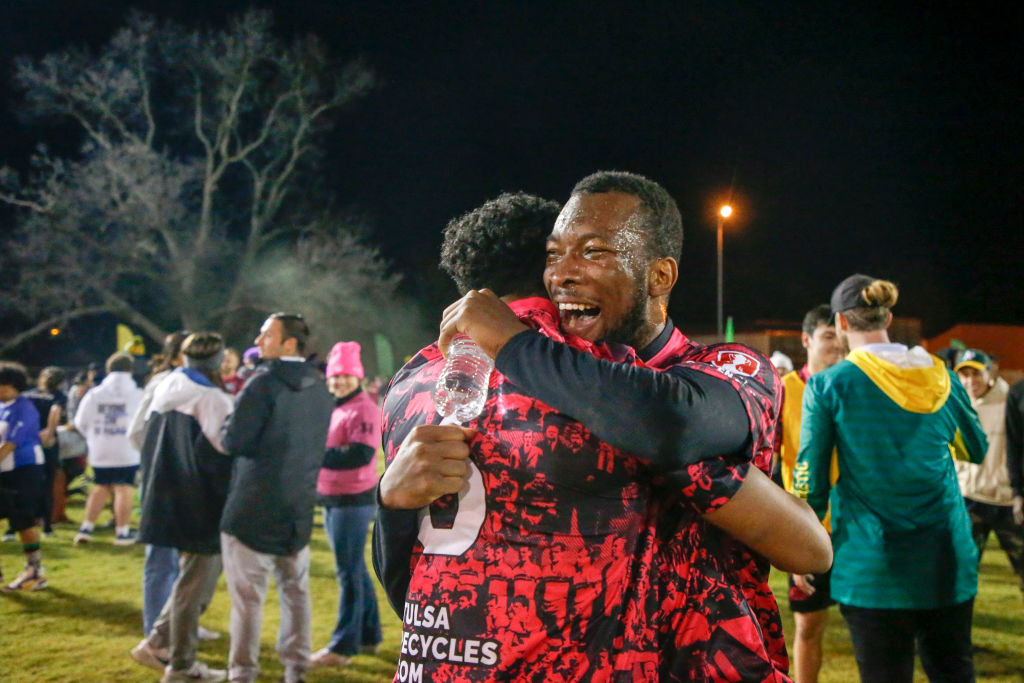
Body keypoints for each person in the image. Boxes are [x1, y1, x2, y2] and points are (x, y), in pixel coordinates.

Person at [376, 184, 829, 680]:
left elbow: (669, 420)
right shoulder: (535, 383)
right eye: (553, 255)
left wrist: (513, 342)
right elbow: (433, 587)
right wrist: (391, 504)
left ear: (660, 275)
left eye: (594, 252)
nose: (564, 273)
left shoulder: (724, 367)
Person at [794, 274, 987, 683]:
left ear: (842, 323)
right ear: (889, 317)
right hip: (946, 557)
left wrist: (798, 545)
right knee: (954, 671)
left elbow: (810, 479)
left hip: (872, 565)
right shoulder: (942, 376)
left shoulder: (830, 384)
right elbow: (977, 449)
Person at [219, 312, 334, 683]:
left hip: (253, 508)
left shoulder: (261, 383)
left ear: (288, 344)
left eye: (266, 333)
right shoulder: (319, 386)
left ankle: (242, 673)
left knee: (249, 601)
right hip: (298, 507)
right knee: (296, 593)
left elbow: (234, 441)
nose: (259, 338)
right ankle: (296, 670)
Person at [131, 332, 235, 683]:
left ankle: (157, 641)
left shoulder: (167, 383)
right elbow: (227, 455)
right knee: (196, 586)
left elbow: (140, 435)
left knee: (189, 583)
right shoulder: (213, 400)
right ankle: (182, 666)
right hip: (200, 505)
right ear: (218, 362)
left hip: (163, 498)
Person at [774, 305, 843, 683]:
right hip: (809, 529)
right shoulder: (785, 392)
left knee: (876, 629)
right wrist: (789, 537)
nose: (838, 345)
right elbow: (769, 469)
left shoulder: (857, 387)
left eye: (842, 337)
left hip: (858, 531)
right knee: (807, 627)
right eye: (829, 336)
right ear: (806, 340)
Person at [309, 341, 382, 669]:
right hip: (334, 498)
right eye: (334, 376)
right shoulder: (337, 406)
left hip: (351, 499)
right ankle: (369, 634)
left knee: (347, 572)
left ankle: (343, 646)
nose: (338, 381)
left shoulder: (362, 408)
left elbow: (360, 453)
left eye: (345, 376)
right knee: (354, 569)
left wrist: (311, 457)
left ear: (357, 377)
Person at [127, 330, 197, 636]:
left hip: (188, 483)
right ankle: (155, 629)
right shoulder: (163, 382)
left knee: (188, 560)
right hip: (162, 482)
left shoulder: (195, 382)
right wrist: (161, 461)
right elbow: (136, 430)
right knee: (161, 560)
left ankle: (180, 623)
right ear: (179, 355)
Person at [953, 349, 1024, 594]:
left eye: (976, 373)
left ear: (989, 372)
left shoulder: (1012, 400)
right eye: (965, 375)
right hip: (971, 500)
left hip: (1008, 502)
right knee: (961, 572)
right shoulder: (959, 404)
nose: (970, 381)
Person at [72, 351, 144, 545]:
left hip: (100, 449)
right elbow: (144, 422)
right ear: (131, 370)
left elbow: (80, 421)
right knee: (124, 488)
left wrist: (94, 437)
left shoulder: (95, 394)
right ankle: (122, 532)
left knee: (101, 487)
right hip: (127, 450)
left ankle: (85, 529)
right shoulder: (138, 394)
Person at [0, 362, 48, 591]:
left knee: (23, 519)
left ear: (11, 385)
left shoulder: (24, 407)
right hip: (5, 471)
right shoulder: (3, 407)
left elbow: (11, 443)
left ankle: (35, 571)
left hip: (24, 470)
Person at [23, 366, 66, 534]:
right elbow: (56, 411)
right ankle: (47, 526)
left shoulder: (29, 394)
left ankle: (17, 526)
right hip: (48, 443)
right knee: (48, 485)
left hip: (27, 442)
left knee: (24, 484)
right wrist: (49, 430)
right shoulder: (59, 397)